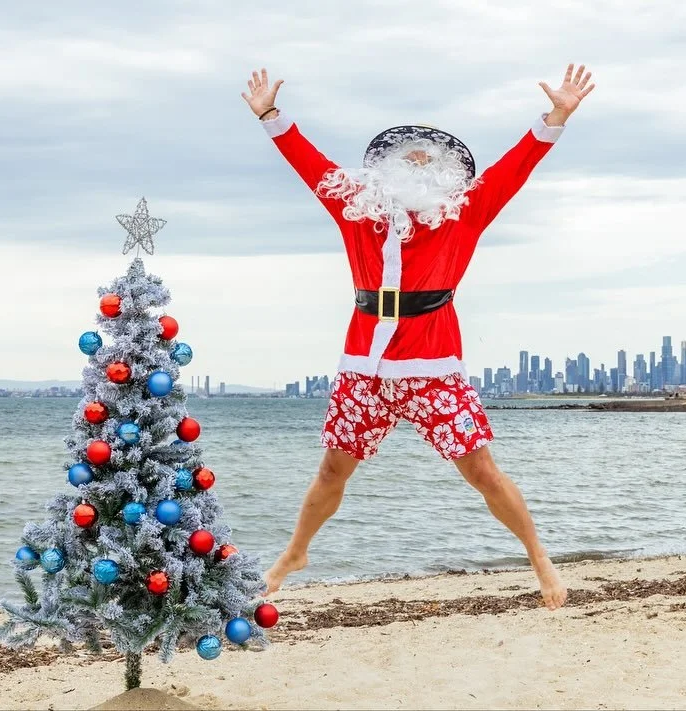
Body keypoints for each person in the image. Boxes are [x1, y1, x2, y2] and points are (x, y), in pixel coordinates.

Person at [243, 64, 595, 610]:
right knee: (332, 468)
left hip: (433, 364)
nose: (418, 162)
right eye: (407, 155)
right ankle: (295, 552)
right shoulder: (355, 210)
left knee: (481, 469)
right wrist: (270, 114)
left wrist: (556, 116)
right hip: (364, 363)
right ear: (381, 168)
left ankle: (538, 557)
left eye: (430, 158)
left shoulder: (465, 213)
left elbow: (515, 167)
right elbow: (308, 165)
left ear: (449, 175)